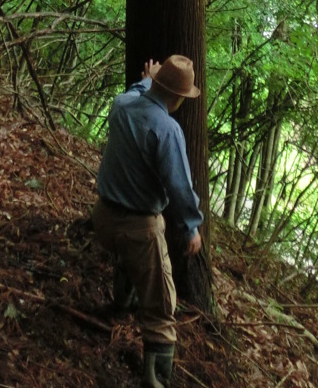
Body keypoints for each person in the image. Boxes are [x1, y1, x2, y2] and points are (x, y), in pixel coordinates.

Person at [92, 54, 203, 388]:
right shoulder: (167, 129)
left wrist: (146, 79)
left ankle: (120, 305)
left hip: (103, 219)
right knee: (162, 305)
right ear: (180, 98)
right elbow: (180, 187)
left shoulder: (122, 104)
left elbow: (134, 93)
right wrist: (191, 227)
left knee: (131, 254)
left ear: (155, 83)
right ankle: (156, 380)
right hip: (138, 229)